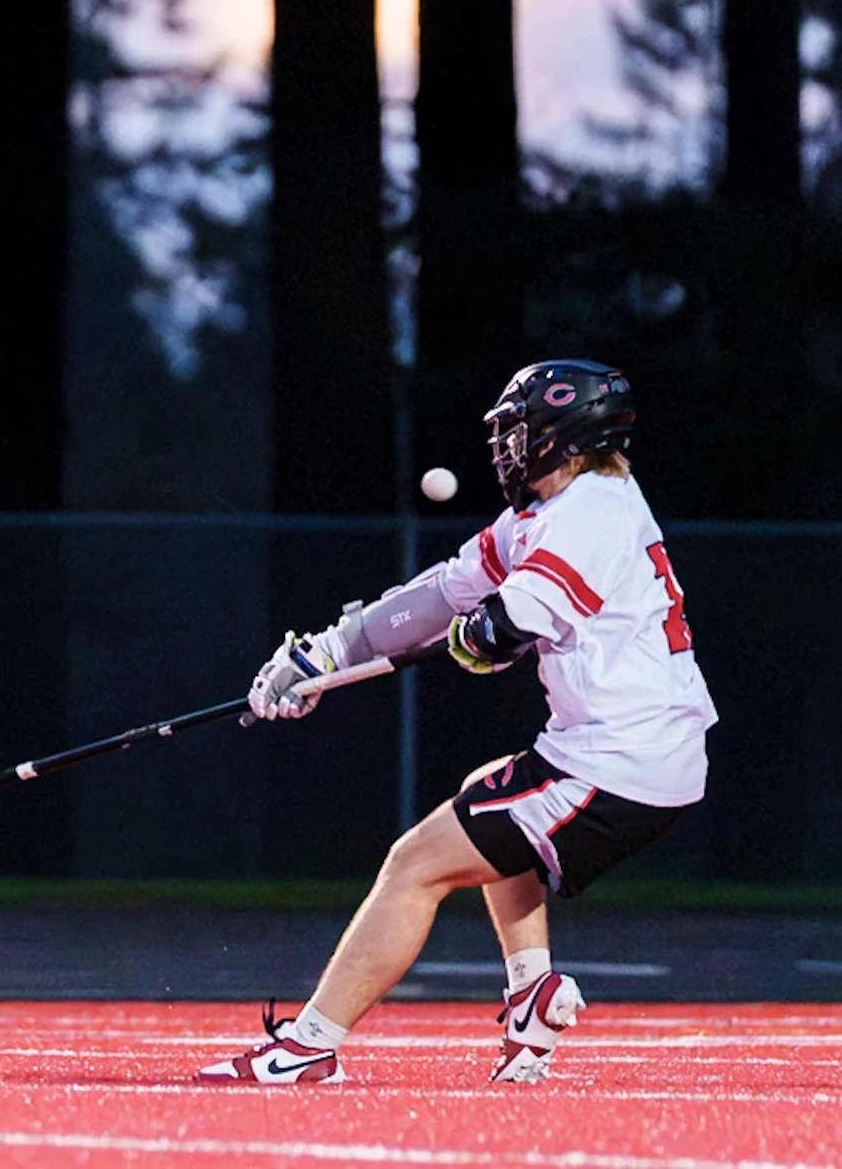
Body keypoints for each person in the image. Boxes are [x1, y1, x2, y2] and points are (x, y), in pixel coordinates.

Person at [198, 358, 716, 1087]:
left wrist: (479, 636)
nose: (505, 446)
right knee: (489, 794)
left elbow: (506, 623)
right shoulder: (552, 513)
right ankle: (532, 997)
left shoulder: (591, 509)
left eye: (518, 429)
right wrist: (326, 653)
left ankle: (308, 1046)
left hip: (618, 763)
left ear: (561, 433)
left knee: (415, 865)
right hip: (620, 751)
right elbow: (443, 593)